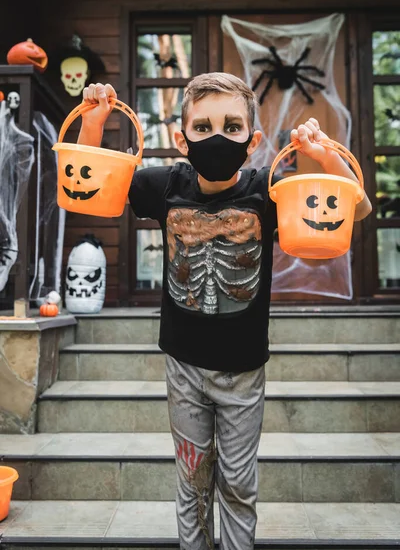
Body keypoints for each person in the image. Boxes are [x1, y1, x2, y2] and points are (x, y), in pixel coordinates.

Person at [78, 73, 372, 550]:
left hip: (243, 369)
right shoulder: (165, 183)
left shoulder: (269, 190)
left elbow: (355, 211)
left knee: (237, 484)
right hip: (184, 365)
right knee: (192, 483)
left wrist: (322, 155)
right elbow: (98, 187)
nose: (218, 138)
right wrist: (93, 122)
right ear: (181, 138)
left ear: (253, 141)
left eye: (232, 127)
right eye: (204, 127)